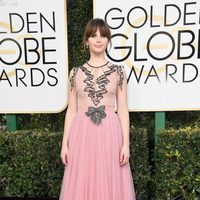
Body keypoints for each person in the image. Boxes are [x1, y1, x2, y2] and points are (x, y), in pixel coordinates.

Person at [59, 18, 136, 200]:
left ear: (108, 40)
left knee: (108, 178)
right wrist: (64, 144)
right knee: (82, 179)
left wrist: (126, 144)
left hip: (110, 133)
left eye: (103, 35)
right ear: (87, 41)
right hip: (81, 135)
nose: (99, 39)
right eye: (93, 35)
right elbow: (71, 110)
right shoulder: (75, 73)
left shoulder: (118, 72)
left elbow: (123, 110)